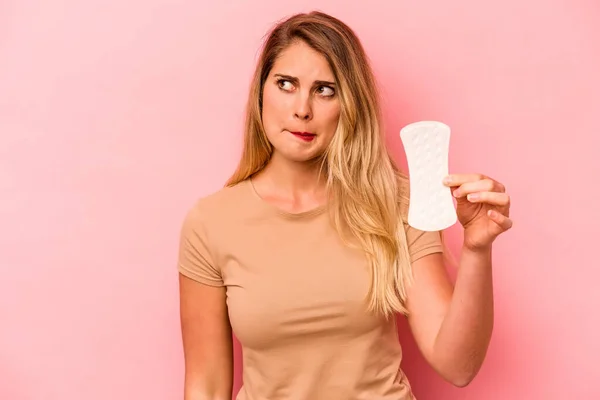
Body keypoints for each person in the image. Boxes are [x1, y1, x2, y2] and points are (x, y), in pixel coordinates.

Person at [176, 10, 512, 400]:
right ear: (261, 93)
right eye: (286, 84)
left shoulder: (396, 203)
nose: (302, 109)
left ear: (349, 104)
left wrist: (476, 248)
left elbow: (457, 365)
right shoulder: (211, 223)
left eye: (324, 90)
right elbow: (206, 386)